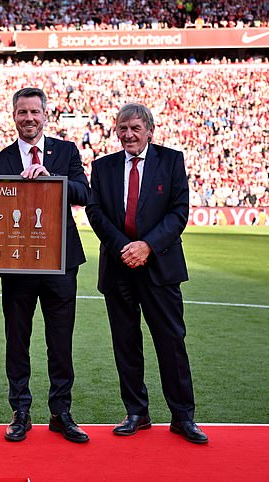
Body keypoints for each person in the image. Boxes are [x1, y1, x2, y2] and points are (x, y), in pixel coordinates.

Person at [86, 103, 208, 444]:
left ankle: (183, 417)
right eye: (122, 128)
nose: (128, 135)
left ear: (149, 130)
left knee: (171, 343)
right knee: (126, 344)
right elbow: (95, 212)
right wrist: (124, 247)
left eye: (135, 128)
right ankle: (136, 412)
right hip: (118, 266)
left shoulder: (171, 161)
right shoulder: (103, 166)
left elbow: (178, 212)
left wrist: (147, 247)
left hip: (160, 268)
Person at [0, 88, 90, 443]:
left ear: (45, 114)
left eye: (34, 112)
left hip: (60, 261)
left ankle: (61, 412)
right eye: (22, 113)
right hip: (17, 263)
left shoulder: (66, 151)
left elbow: (84, 193)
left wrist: (53, 180)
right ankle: (21, 411)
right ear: (13, 116)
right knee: (18, 339)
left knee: (60, 341)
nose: (28, 118)